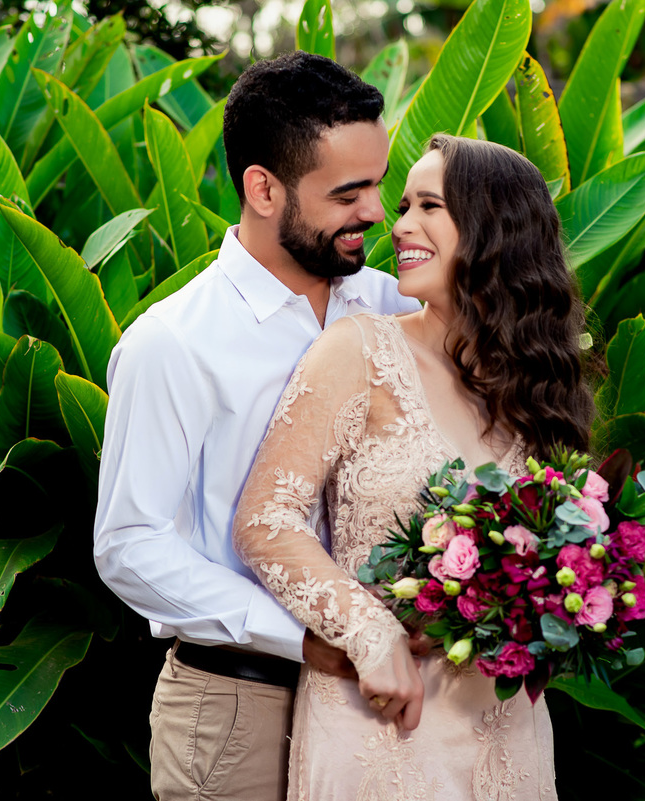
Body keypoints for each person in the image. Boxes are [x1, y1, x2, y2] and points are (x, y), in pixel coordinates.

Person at [93, 51, 420, 801]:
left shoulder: (397, 308)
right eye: (349, 192)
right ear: (263, 188)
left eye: (378, 183)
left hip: (390, 707)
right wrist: (305, 636)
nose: (376, 211)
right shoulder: (173, 342)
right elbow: (128, 545)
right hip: (240, 708)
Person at [232, 134, 599, 799]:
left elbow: (554, 563)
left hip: (505, 726)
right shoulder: (359, 353)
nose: (399, 225)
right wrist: (371, 634)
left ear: (497, 230)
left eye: (429, 205)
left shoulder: (541, 391)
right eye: (403, 205)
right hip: (377, 721)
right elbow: (266, 520)